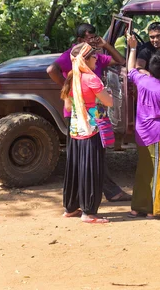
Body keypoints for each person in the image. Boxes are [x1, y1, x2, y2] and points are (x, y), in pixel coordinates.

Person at [46, 23, 131, 202]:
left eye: (94, 36)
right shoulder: (76, 57)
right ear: (79, 40)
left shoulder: (95, 56)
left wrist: (106, 45)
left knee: (86, 156)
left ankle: (82, 198)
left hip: (90, 115)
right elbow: (51, 69)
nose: (93, 40)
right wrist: (69, 89)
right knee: (87, 156)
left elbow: (121, 61)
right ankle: (96, 195)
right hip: (83, 116)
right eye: (88, 37)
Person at [126, 34, 160, 219]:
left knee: (144, 169)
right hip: (159, 134)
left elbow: (130, 69)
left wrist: (133, 48)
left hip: (142, 132)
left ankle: (137, 207)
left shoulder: (142, 80)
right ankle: (156, 209)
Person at [61, 43, 113, 224]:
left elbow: (68, 105)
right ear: (84, 60)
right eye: (93, 56)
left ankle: (70, 207)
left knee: (75, 167)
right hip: (91, 129)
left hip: (75, 129)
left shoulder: (71, 77)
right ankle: (89, 213)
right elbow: (109, 102)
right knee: (91, 169)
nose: (96, 58)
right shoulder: (92, 79)